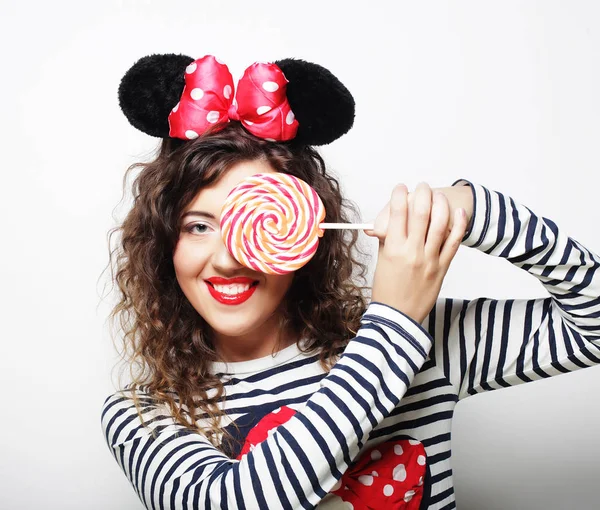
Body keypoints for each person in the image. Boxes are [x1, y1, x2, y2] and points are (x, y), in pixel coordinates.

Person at [101, 54, 600, 510]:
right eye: (198, 225)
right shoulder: (142, 416)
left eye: (256, 219)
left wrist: (476, 210)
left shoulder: (431, 344)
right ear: (164, 244)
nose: (229, 258)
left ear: (305, 234)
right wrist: (395, 325)